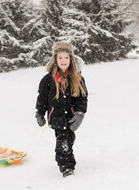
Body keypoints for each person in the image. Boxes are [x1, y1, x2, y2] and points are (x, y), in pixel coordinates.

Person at [35, 41, 88, 177]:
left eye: (66, 57)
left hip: (70, 118)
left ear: (71, 59)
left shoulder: (77, 78)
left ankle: (66, 165)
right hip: (56, 118)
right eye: (60, 57)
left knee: (64, 141)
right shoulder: (48, 79)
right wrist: (39, 113)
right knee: (63, 141)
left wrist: (80, 113)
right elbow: (42, 98)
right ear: (55, 59)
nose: (63, 60)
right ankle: (66, 166)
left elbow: (82, 98)